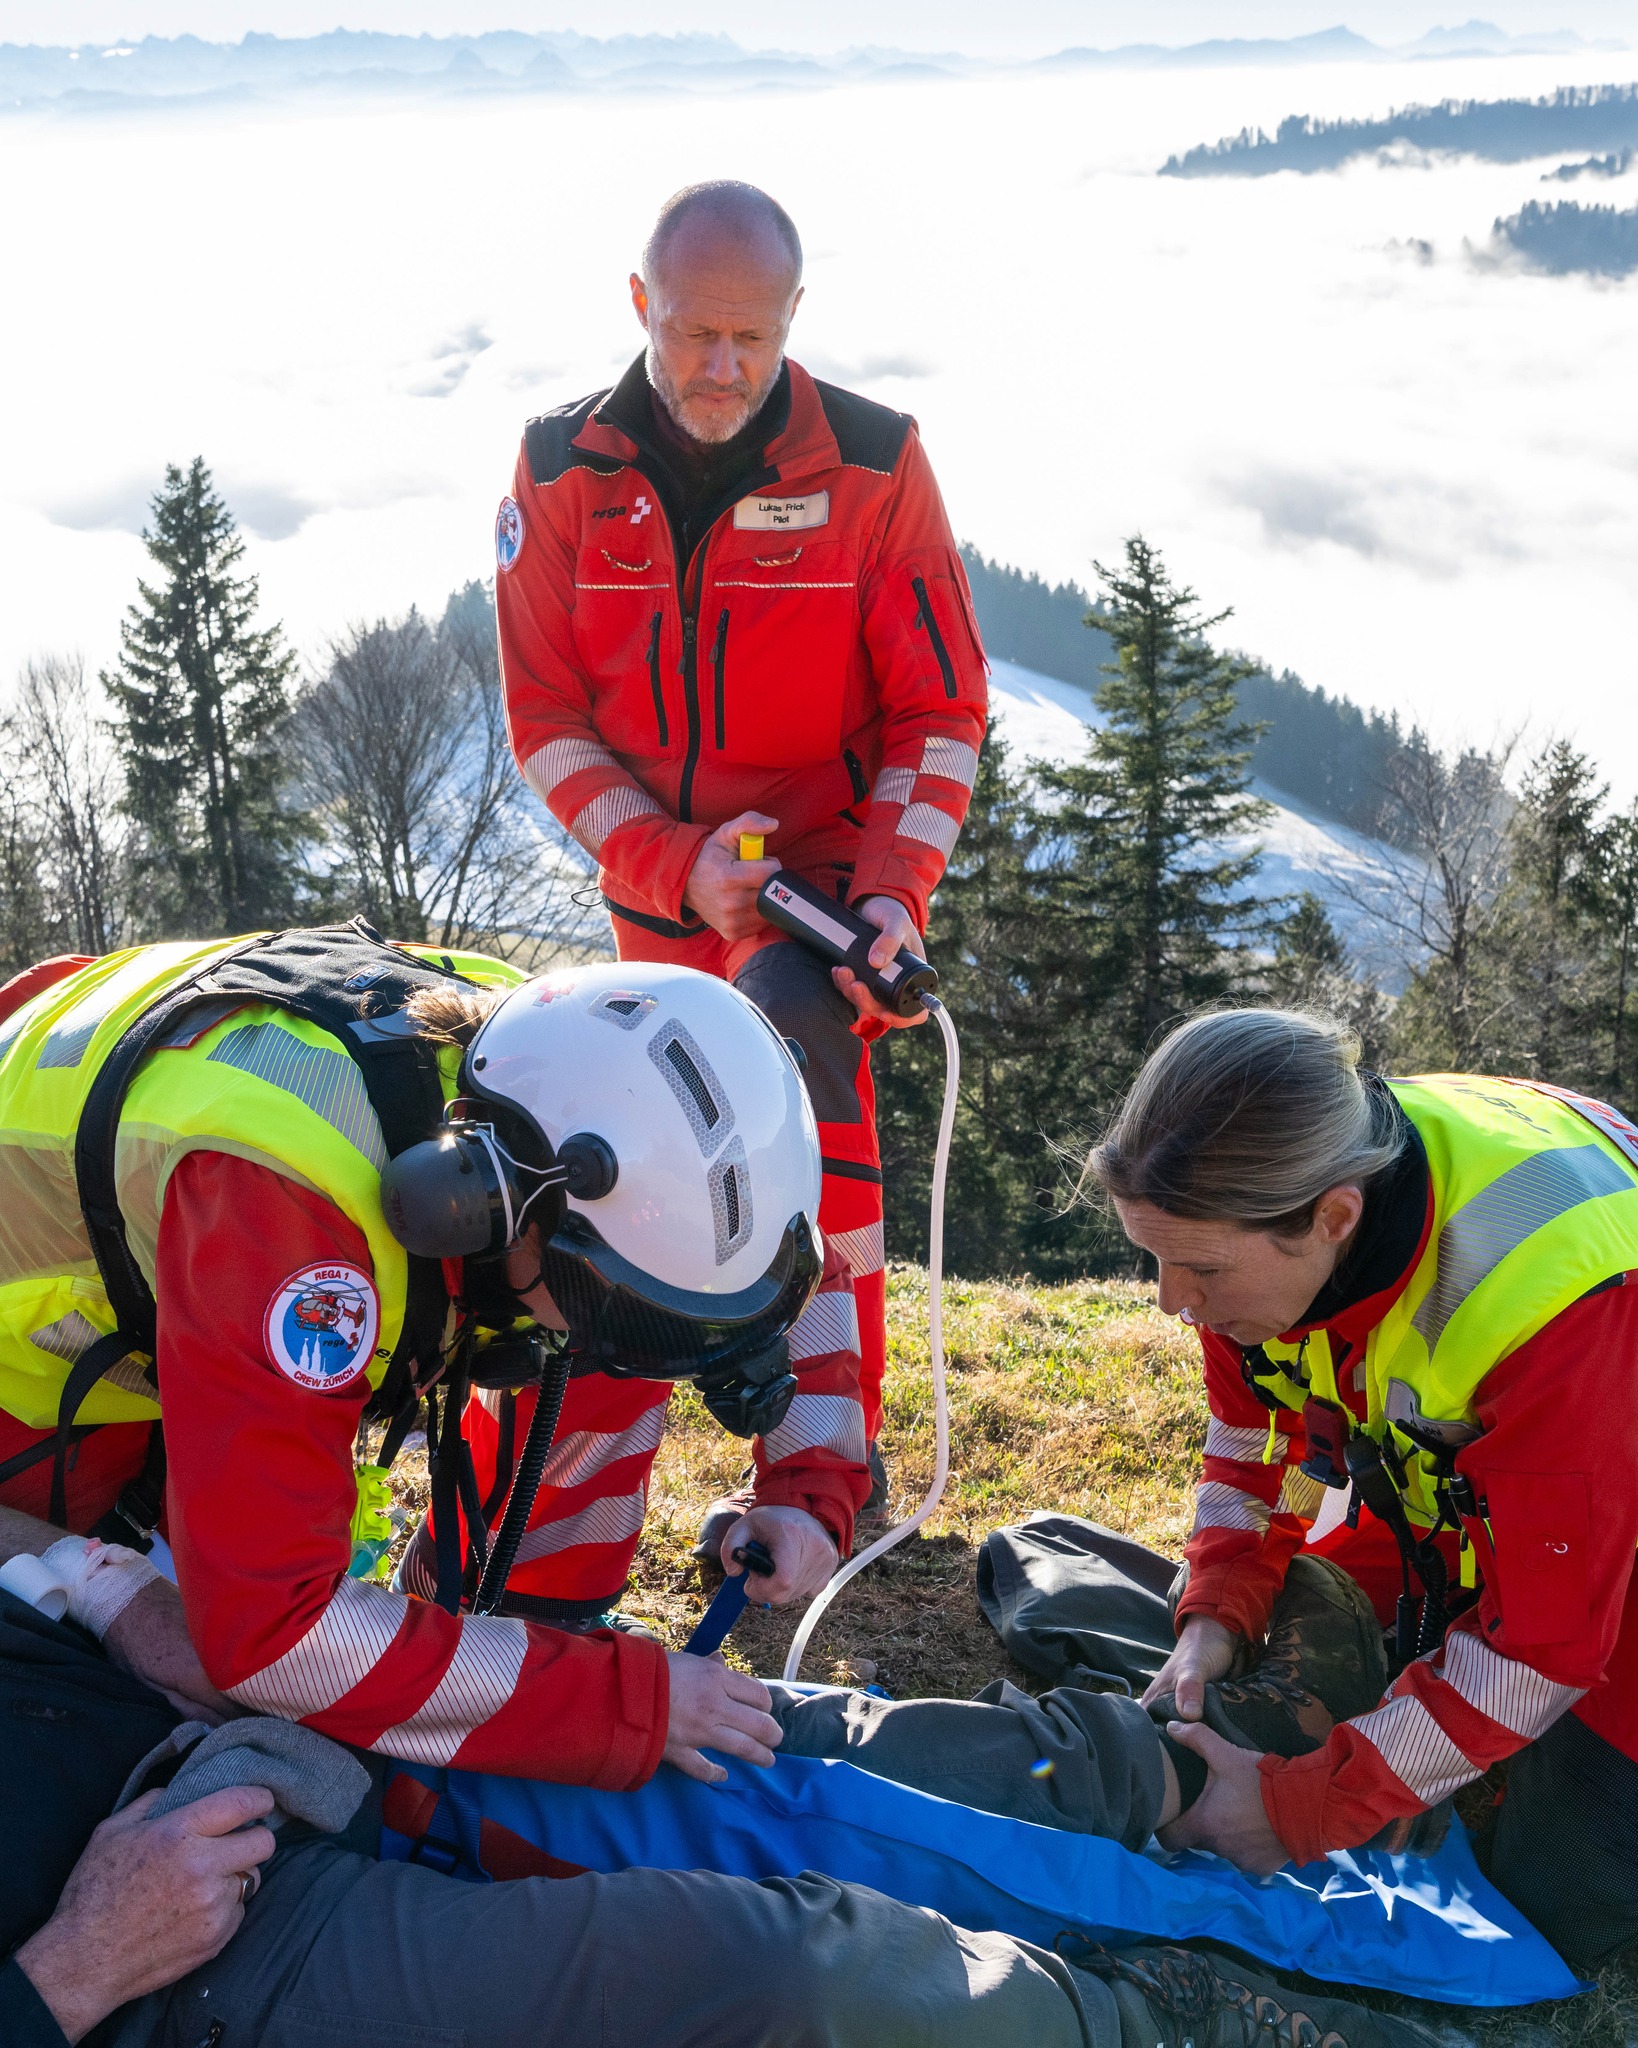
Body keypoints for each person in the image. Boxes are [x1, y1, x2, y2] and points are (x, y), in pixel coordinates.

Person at [0, 1499, 1434, 2048]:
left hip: (251, 1731)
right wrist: (70, 1970)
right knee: (765, 1971)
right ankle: (1142, 2023)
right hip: (167, 1948)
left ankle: (1185, 1781)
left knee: (764, 1736)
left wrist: (98, 1578)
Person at [0, 928, 867, 1791]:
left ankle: (528, 1619)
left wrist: (808, 1493)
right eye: (616, 1308)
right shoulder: (294, 1216)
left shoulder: (565, 1059)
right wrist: (623, 1702)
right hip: (39, 1356)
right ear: (472, 1201)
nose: (636, 1356)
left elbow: (784, 1265)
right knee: (113, 1667)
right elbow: (275, 1633)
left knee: (580, 1339)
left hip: (169, 1233)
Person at [495, 179, 990, 1542]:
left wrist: (889, 898)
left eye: (751, 341)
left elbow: (939, 711)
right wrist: (669, 867)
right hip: (656, 906)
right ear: (640, 304)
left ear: (791, 323)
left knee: (804, 1107)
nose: (721, 369)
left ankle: (826, 1463)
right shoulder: (555, 473)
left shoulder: (877, 463)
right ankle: (591, 1476)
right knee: (644, 1163)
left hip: (819, 889)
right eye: (694, 334)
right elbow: (544, 722)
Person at [1078, 1005, 1638, 1976]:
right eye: (1153, 1256)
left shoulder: (1554, 1300)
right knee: (1339, 1657)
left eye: (1199, 1267)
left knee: (1546, 1908)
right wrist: (1212, 1612)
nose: (1173, 1300)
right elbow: (1253, 1451)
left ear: (1334, 1218)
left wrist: (1297, 1809)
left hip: (1604, 1482)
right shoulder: (1259, 1203)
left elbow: (1546, 1649)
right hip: (1497, 1497)